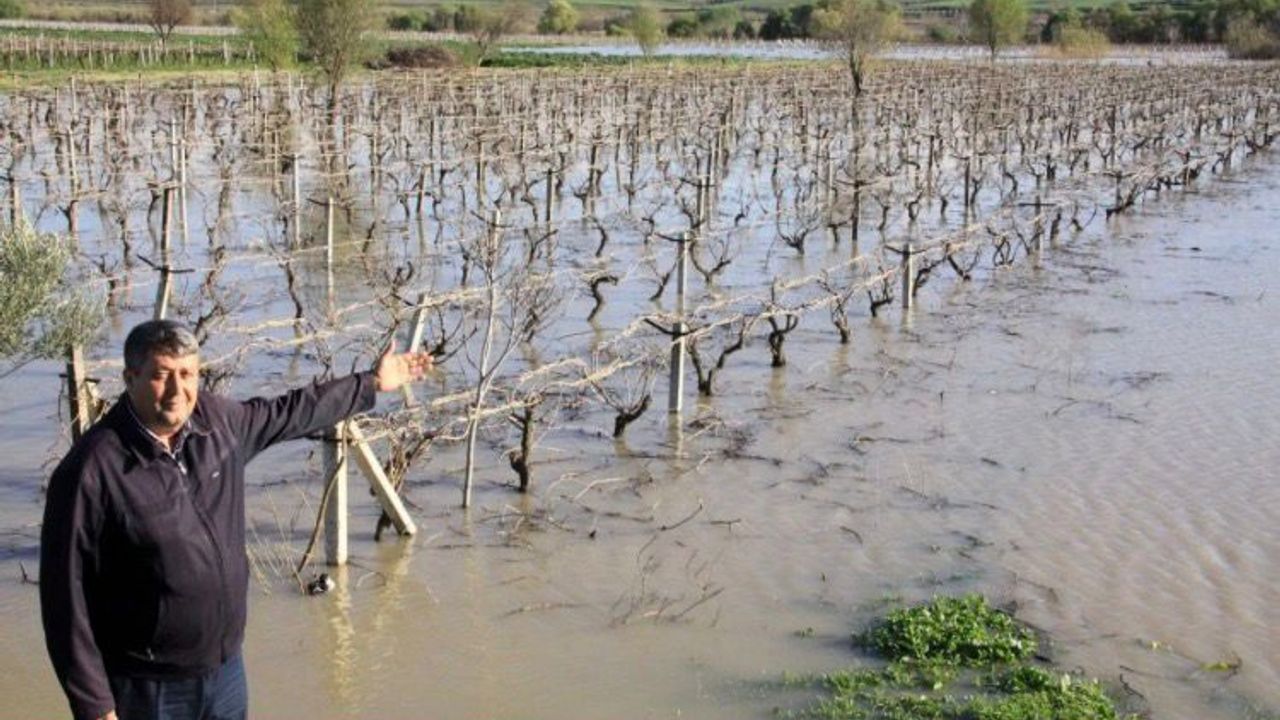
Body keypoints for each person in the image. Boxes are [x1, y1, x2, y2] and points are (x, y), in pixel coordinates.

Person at [39, 320, 433, 720]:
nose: (178, 391)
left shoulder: (217, 425)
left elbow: (292, 411)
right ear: (130, 377)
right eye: (160, 376)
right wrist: (95, 707)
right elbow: (64, 601)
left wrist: (370, 384)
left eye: (187, 374)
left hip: (224, 673)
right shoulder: (92, 470)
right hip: (147, 688)